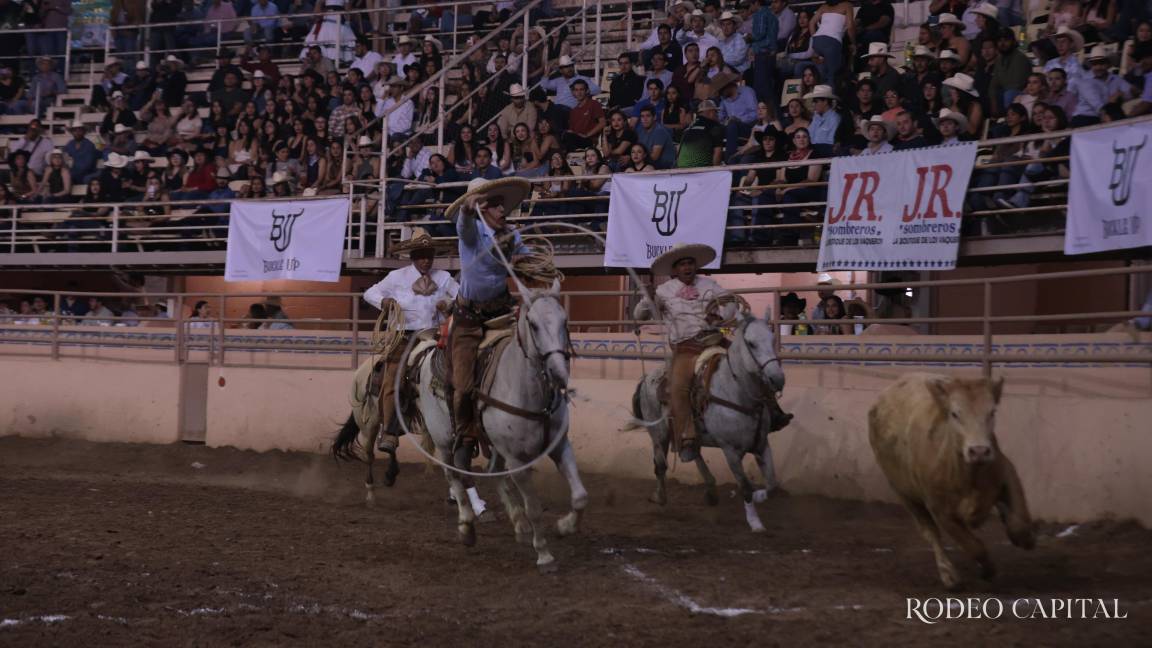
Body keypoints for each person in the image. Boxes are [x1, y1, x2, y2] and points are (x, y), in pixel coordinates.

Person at [443, 177, 532, 472]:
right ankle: (465, 435)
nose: (502, 209)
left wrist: (529, 264)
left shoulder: (511, 235)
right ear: (482, 209)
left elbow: (527, 261)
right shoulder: (471, 232)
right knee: (463, 384)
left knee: (530, 357)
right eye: (494, 204)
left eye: (501, 204)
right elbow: (463, 228)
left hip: (502, 313)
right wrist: (467, 211)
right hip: (468, 320)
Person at [362, 227, 459, 454]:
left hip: (435, 336)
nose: (426, 260)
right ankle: (389, 430)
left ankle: (462, 426)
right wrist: (384, 302)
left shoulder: (444, 278)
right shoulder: (397, 277)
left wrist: (449, 305)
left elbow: (460, 295)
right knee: (393, 378)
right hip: (405, 336)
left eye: (429, 256)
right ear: (413, 256)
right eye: (421, 256)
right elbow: (369, 293)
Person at [675, 99, 724, 167]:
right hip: (702, 169)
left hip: (682, 168)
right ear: (711, 112)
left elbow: (678, 151)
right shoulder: (714, 127)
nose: (717, 115)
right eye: (716, 112)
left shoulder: (688, 129)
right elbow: (718, 152)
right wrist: (716, 170)